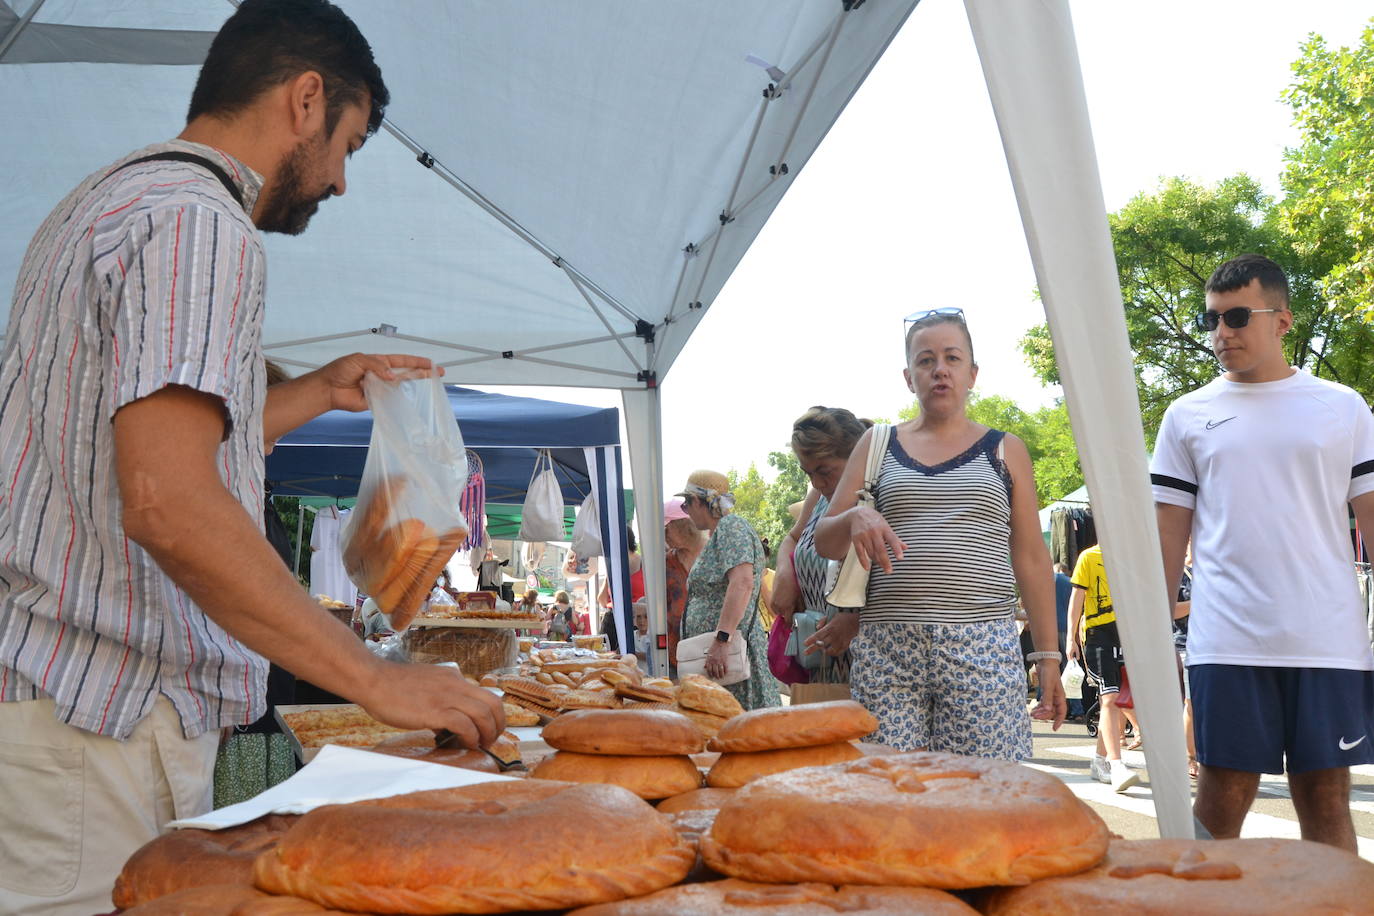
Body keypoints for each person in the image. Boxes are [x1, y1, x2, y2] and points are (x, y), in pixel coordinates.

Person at [0, 4, 504, 912]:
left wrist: (311, 392)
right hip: (95, 732)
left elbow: (124, 454)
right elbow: (168, 502)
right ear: (306, 99)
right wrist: (375, 680)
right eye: (348, 144)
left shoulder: (106, 199)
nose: (341, 183)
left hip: (63, 721)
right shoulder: (202, 224)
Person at [1153, 254, 1374, 851]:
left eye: (1238, 317)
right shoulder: (1186, 415)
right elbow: (1169, 529)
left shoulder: (1344, 406)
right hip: (1227, 637)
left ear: (1283, 321)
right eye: (1213, 320)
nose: (1222, 333)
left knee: (1326, 799)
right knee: (1221, 797)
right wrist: (1145, 630)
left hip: (1327, 637)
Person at [814, 308, 1065, 758]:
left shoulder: (1006, 449)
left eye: (952, 357)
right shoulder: (876, 444)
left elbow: (1029, 556)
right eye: (926, 360)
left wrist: (1048, 656)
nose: (939, 370)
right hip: (888, 648)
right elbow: (824, 541)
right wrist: (855, 518)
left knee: (988, 794)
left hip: (983, 644)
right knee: (893, 797)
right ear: (909, 377)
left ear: (972, 373)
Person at [774, 406, 872, 685]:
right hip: (823, 669)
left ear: (857, 458)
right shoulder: (819, 493)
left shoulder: (885, 493)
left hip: (870, 668)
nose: (817, 482)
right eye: (808, 473)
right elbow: (792, 539)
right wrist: (785, 573)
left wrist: (855, 621)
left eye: (824, 471)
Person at [678, 470, 780, 710]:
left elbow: (743, 582)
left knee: (741, 723)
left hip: (730, 653)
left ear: (697, 501)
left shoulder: (731, 526)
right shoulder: (720, 533)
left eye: (686, 504)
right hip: (723, 654)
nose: (686, 511)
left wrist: (722, 640)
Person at [1065, 544, 1138, 792]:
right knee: (1110, 697)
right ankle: (1116, 765)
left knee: (1116, 700)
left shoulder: (1133, 556)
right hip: (1099, 636)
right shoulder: (1089, 556)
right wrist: (1071, 638)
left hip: (1127, 633)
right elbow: (1077, 599)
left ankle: (1099, 761)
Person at [663, 498, 706, 670]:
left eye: (668, 529)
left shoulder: (713, 556)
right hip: (676, 652)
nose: (664, 535)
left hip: (710, 649)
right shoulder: (667, 562)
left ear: (684, 526)